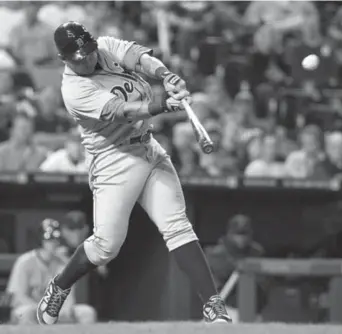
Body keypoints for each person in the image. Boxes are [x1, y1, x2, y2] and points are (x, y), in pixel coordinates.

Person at [37, 21, 230, 325]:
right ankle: (60, 285)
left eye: (88, 51)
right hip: (114, 159)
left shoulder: (104, 47)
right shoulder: (74, 89)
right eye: (79, 57)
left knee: (178, 225)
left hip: (148, 148)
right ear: (65, 59)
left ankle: (213, 304)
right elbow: (122, 112)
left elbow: (140, 57)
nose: (87, 59)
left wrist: (167, 75)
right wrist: (163, 105)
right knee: (105, 247)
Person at [7, 218, 97, 324]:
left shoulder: (64, 263)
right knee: (27, 312)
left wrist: (64, 309)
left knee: (86, 312)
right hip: (31, 309)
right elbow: (18, 296)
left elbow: (69, 295)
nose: (53, 243)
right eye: (49, 240)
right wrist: (40, 310)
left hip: (55, 311)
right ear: (41, 241)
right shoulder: (25, 262)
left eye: (56, 239)